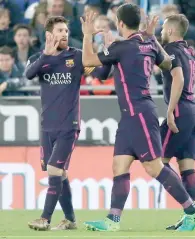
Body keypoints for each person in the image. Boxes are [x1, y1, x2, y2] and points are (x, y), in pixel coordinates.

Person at [81, 3, 195, 232]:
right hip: (131, 115)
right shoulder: (144, 44)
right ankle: (112, 220)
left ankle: (192, 209)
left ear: (119, 23)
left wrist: (88, 35)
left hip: (139, 113)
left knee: (154, 167)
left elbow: (88, 61)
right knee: (120, 164)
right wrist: (153, 39)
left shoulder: (123, 46)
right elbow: (169, 63)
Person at [25, 15, 110, 231]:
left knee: (54, 169)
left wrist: (104, 51)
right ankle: (71, 220)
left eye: (66, 30)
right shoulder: (40, 58)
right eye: (60, 30)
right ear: (49, 35)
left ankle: (45, 219)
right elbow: (28, 74)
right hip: (47, 127)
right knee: (59, 174)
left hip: (68, 125)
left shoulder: (77, 56)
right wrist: (47, 54)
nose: (64, 34)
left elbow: (102, 73)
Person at [159, 14, 195, 230]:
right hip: (194, 111)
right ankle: (189, 220)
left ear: (170, 30)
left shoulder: (173, 51)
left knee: (157, 162)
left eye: (163, 28)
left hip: (179, 110)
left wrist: (169, 111)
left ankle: (191, 210)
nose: (160, 31)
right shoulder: (191, 51)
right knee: (187, 166)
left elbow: (179, 79)